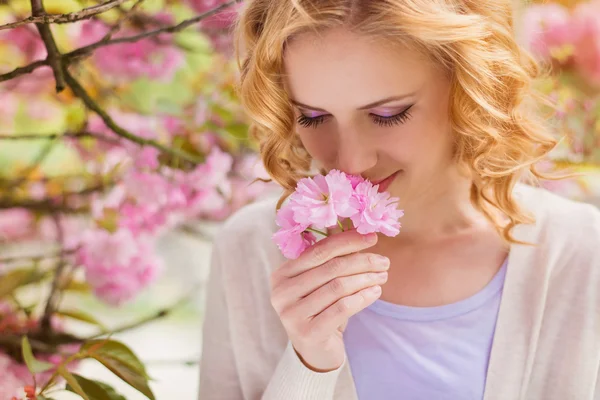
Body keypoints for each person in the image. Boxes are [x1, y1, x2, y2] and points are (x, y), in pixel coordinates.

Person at [198, 1, 600, 399]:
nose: (352, 161)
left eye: (389, 114)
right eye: (313, 117)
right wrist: (308, 364)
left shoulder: (582, 252)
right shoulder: (250, 250)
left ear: (469, 86)